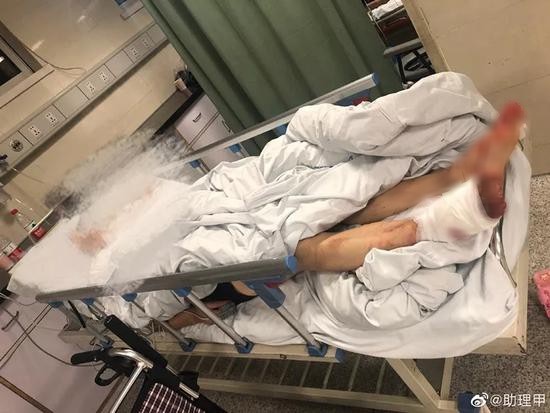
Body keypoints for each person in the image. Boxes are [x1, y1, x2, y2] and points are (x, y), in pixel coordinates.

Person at [167, 101, 524, 329]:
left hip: (251, 257)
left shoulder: (159, 284)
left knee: (305, 249)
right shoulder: (162, 240)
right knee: (347, 211)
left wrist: (176, 321)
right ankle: (459, 176)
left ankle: (436, 218)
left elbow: (190, 312)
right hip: (248, 243)